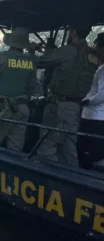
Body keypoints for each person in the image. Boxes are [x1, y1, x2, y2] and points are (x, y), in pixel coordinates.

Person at [30, 25, 98, 167]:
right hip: (75, 107)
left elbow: (41, 62)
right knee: (68, 148)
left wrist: (31, 51)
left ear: (73, 32)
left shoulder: (69, 50)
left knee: (47, 144)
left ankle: (47, 178)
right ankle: (73, 181)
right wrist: (52, 51)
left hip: (58, 105)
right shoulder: (92, 54)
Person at [77, 32, 104, 169]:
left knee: (87, 153)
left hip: (95, 117)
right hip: (96, 117)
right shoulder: (100, 67)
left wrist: (85, 102)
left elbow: (102, 94)